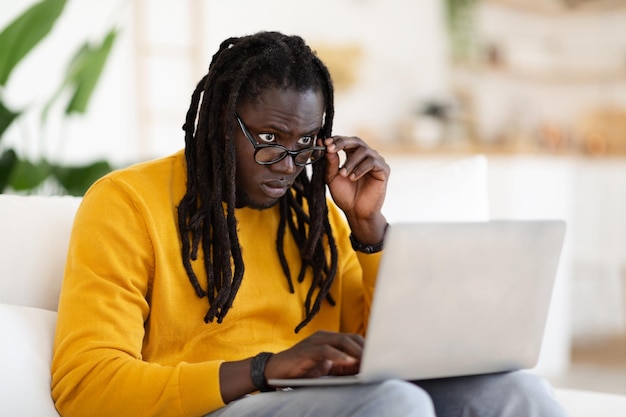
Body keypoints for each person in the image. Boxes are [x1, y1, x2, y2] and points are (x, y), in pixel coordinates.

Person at [51, 31, 568, 417]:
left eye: (305, 143)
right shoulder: (125, 203)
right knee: (394, 404)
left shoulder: (312, 217)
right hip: (213, 404)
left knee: (518, 392)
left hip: (324, 400)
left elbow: (379, 349)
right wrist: (263, 369)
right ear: (218, 122)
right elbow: (86, 385)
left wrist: (369, 228)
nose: (287, 163)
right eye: (270, 138)